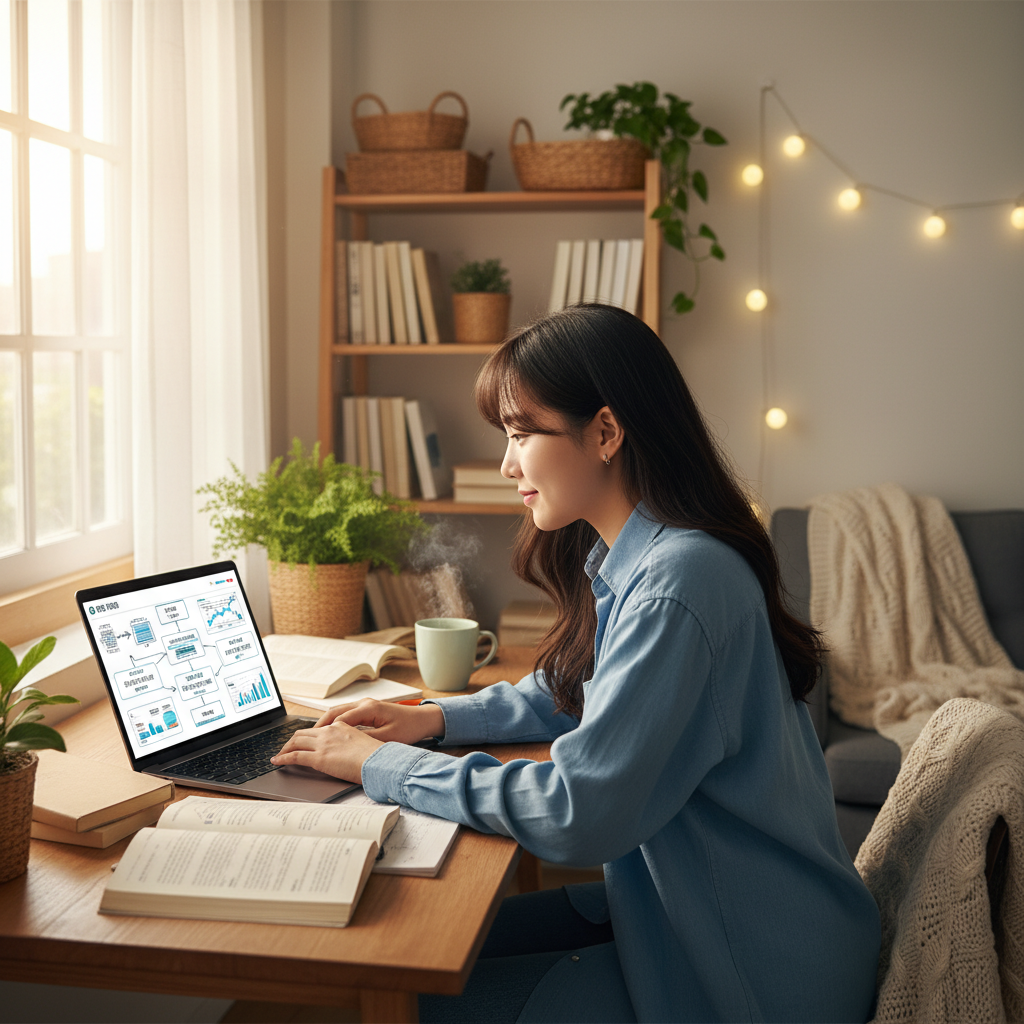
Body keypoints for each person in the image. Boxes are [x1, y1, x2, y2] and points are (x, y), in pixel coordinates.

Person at [272, 304, 881, 1023]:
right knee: (409, 952)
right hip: (697, 910)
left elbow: (577, 812)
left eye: (522, 434)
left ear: (605, 432)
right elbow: (577, 690)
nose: (506, 464)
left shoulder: (677, 584)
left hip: (754, 972)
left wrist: (380, 767)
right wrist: (430, 718)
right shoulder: (652, 554)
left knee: (414, 993)